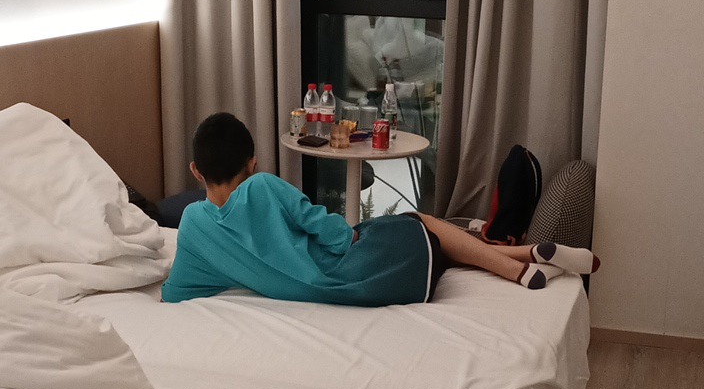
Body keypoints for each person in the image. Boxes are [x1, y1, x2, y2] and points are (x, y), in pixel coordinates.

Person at [162, 112, 599, 307]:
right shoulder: (262, 186)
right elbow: (336, 233)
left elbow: (175, 293)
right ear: (253, 163)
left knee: (439, 248)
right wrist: (349, 235)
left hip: (374, 288)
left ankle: (527, 256)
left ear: (196, 170)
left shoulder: (194, 226)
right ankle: (515, 265)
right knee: (420, 223)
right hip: (376, 272)